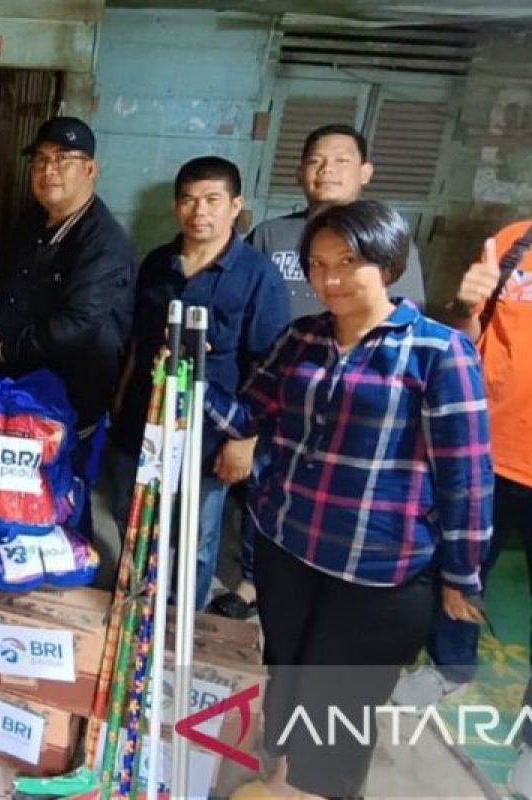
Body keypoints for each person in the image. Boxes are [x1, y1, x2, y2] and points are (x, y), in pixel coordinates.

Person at [212, 201, 491, 800]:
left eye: (348, 262)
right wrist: (187, 380)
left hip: (377, 570)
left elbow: (466, 476)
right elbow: (247, 413)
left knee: (341, 695)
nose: (329, 279)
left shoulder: (437, 352)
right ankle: (282, 776)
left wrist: (460, 574)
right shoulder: (302, 337)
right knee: (288, 672)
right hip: (289, 545)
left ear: (388, 264)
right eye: (317, 264)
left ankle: (318, 789)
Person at [211, 123, 430, 619]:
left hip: (353, 403)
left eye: (341, 161)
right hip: (280, 390)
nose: (325, 170)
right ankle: (254, 580)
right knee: (267, 493)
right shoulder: (272, 233)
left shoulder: (392, 245)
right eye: (315, 160)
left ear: (366, 173)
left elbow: (402, 322)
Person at [391, 219, 532, 796]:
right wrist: (465, 306)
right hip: (487, 449)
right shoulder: (514, 241)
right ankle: (449, 667)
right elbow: (468, 335)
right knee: (458, 569)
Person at [105, 156, 288, 600]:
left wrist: (246, 442)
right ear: (175, 207)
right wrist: (117, 409)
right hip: (142, 427)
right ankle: (135, 618)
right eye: (188, 200)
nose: (199, 211)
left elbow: (272, 369)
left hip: (210, 438)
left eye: (212, 200)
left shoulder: (257, 276)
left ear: (235, 205)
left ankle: (184, 629)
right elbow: (136, 344)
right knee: (136, 530)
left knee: (195, 544)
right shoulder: (156, 265)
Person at [0, 116, 133, 479]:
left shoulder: (103, 243)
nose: (48, 170)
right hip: (21, 389)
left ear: (90, 168)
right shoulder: (31, 222)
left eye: (62, 159)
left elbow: (76, 325)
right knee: (14, 493)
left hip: (68, 400)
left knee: (61, 497)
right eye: (40, 160)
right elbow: (10, 283)